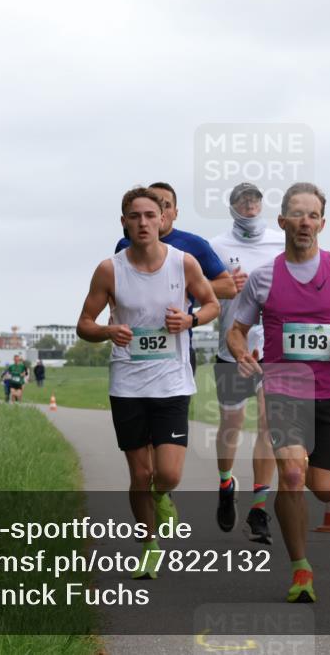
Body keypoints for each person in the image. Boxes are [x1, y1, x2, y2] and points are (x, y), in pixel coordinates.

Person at [228, 182, 330, 603]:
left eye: (312, 215)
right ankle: (301, 569)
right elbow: (236, 330)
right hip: (283, 388)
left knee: (326, 488)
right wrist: (242, 354)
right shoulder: (263, 277)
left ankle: (297, 500)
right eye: (297, 214)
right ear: (282, 222)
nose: (305, 222)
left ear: (322, 223)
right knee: (293, 475)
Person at [78, 186, 219, 579]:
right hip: (127, 384)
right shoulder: (110, 269)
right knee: (139, 474)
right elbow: (84, 325)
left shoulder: (184, 263)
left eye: (150, 215)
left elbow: (212, 304)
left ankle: (163, 497)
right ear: (124, 222)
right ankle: (149, 546)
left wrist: (190, 320)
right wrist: (109, 331)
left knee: (168, 475)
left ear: (163, 220)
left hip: (172, 381)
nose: (143, 223)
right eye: (134, 216)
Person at [208, 182, 285, 544]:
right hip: (231, 347)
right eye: (243, 200)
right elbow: (201, 292)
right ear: (233, 207)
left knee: (269, 422)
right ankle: (226, 483)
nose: (250, 206)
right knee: (232, 424)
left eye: (255, 199)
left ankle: (258, 508)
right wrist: (223, 287)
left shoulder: (278, 242)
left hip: (271, 348)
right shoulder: (217, 246)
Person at [115, 182, 235, 373]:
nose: (160, 210)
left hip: (177, 347)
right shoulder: (124, 245)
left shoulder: (194, 245)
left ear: (173, 213)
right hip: (133, 348)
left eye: (166, 205)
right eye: (155, 204)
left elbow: (228, 287)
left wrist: (186, 286)